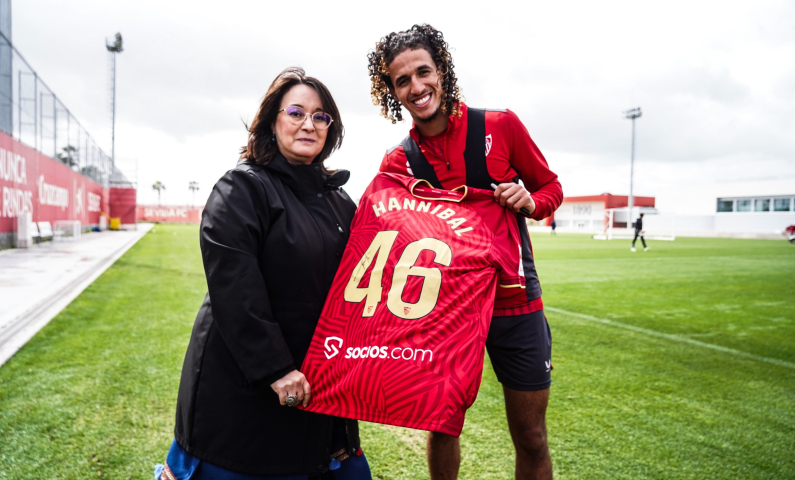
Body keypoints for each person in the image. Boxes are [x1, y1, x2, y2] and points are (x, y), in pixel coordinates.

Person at [156, 68, 371, 480]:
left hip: (321, 398)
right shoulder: (242, 188)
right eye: (296, 112)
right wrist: (276, 369)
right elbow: (235, 289)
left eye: (321, 116)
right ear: (273, 121)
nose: (309, 123)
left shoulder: (340, 202)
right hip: (246, 401)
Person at [368, 25, 563, 480]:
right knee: (441, 428)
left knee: (532, 436)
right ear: (391, 91)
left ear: (442, 70)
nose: (416, 87)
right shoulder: (396, 163)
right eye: (402, 80)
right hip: (445, 314)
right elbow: (383, 234)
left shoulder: (501, 125)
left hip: (516, 304)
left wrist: (531, 202)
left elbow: (550, 187)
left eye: (423, 72)